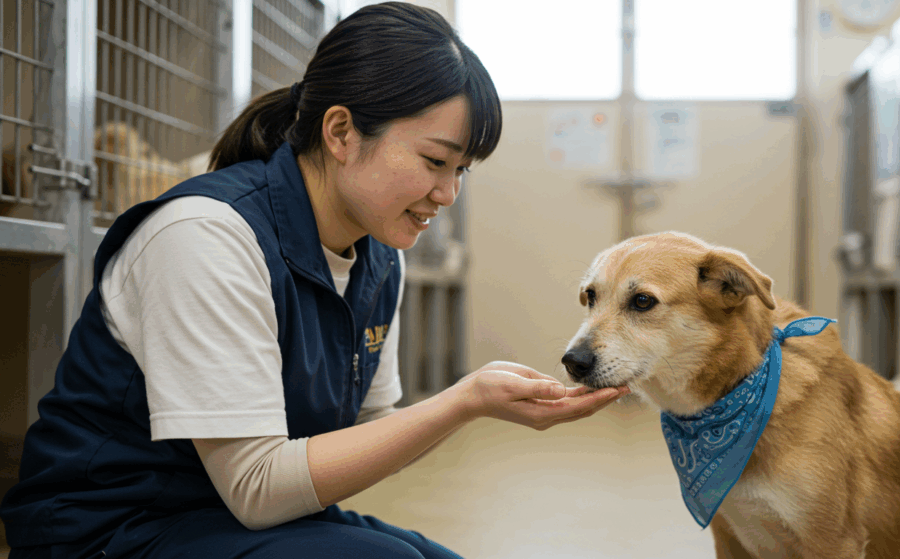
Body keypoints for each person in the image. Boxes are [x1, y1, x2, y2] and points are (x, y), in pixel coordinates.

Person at [0, 3, 629, 558]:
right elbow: (254, 488)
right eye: (435, 162)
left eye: (462, 170)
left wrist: (479, 410)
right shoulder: (208, 235)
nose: (447, 194)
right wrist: (461, 401)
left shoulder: (381, 255)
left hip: (228, 522)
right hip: (111, 530)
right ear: (340, 133)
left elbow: (369, 430)